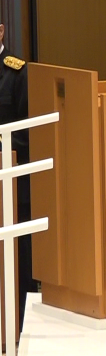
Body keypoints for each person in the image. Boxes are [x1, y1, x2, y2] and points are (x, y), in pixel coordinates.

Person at [0, 23, 36, 333]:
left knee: (21, 265)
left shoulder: (17, 74)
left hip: (13, 187)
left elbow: (28, 134)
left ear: (0, 32)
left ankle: (21, 330)